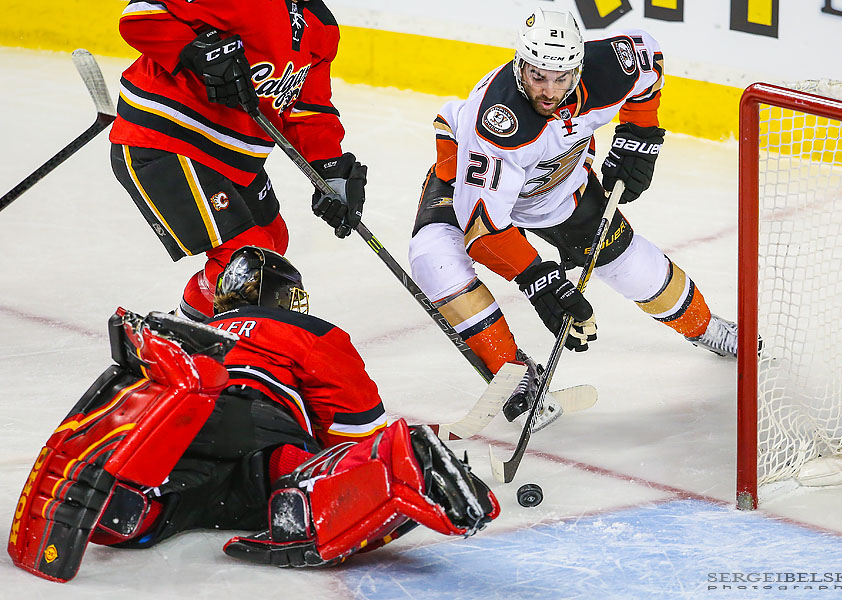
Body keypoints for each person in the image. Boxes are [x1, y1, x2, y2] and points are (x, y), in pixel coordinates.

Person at [8, 248, 498, 582]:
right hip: (262, 432)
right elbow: (354, 424)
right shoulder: (307, 329)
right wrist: (364, 452)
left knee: (182, 502)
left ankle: (134, 512)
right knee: (296, 465)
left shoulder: (193, 332)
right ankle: (337, 488)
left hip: (176, 429)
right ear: (286, 297)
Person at [408, 9, 740, 422]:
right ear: (519, 65)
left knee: (633, 267)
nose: (548, 91)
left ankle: (708, 329)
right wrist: (537, 279)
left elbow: (649, 61)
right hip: (467, 180)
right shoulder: (499, 123)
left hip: (559, 186)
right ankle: (515, 375)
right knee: (433, 261)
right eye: (537, 76)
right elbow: (484, 229)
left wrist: (640, 135)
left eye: (561, 78)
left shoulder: (607, 69)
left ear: (578, 69)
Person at [109, 0, 367, 322]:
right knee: (245, 262)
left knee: (270, 244)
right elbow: (141, 15)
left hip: (232, 158)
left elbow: (308, 109)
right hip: (165, 139)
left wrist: (331, 171)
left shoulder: (322, 25)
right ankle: (180, 341)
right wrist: (196, 51)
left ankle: (184, 323)